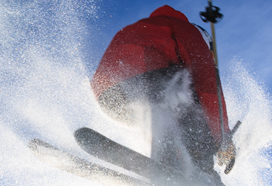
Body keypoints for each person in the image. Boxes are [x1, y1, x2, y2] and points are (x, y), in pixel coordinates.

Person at [90, 5, 235, 186]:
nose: (210, 57)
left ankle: (168, 159)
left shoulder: (153, 27)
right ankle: (203, 173)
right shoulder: (189, 32)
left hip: (108, 96)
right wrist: (222, 138)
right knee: (188, 94)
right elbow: (208, 86)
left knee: (168, 118)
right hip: (146, 78)